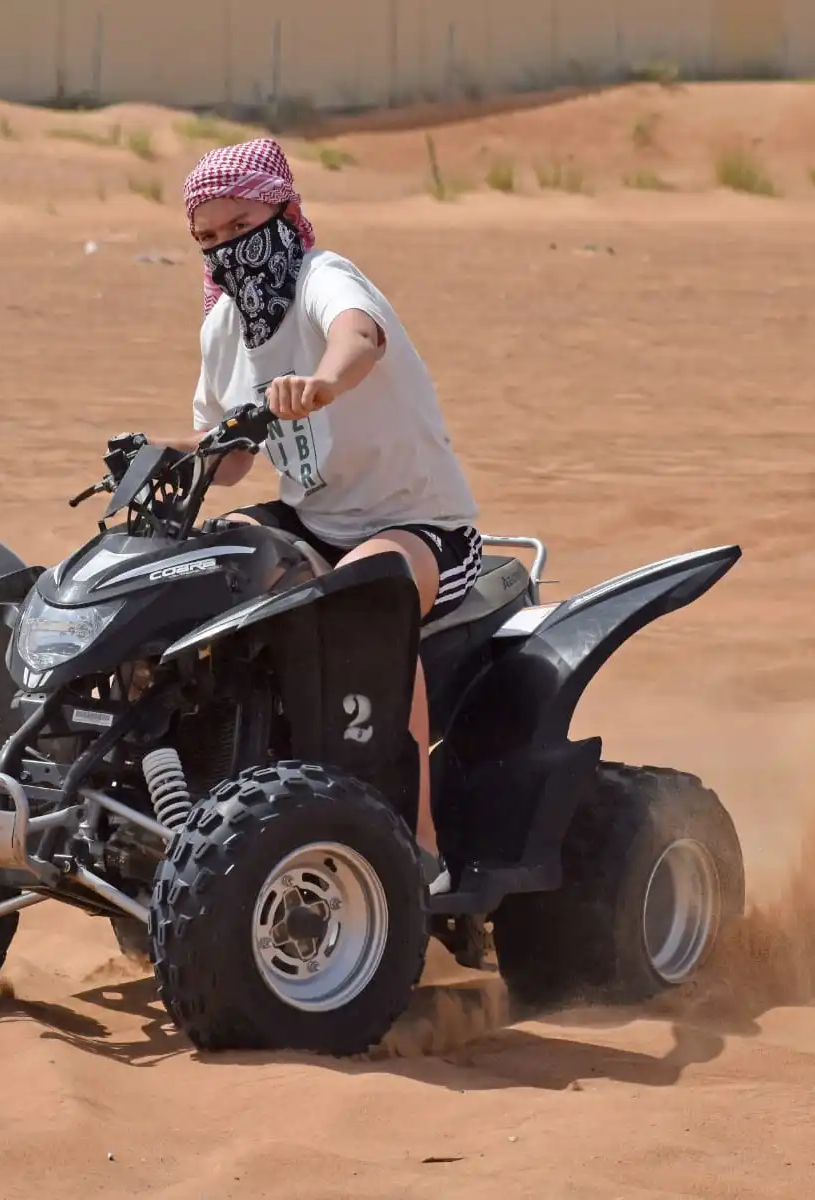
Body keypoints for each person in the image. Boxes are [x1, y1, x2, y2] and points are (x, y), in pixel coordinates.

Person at [171, 137, 480, 894]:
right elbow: (233, 458)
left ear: (282, 210)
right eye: (208, 239)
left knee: (365, 595)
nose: (227, 250)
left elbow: (360, 336)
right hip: (315, 523)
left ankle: (418, 849)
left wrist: (324, 384)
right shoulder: (224, 331)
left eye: (240, 225)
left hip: (421, 526)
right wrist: (168, 453)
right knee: (203, 565)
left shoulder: (322, 277)